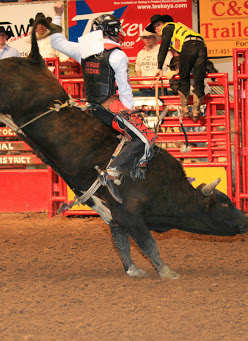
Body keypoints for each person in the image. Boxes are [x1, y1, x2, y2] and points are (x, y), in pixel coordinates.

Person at [48, 2, 154, 202]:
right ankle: (114, 173)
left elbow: (56, 42)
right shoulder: (118, 55)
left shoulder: (83, 51)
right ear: (110, 33)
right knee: (146, 137)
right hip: (110, 108)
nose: (119, 34)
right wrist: (129, 112)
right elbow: (124, 89)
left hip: (91, 108)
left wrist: (57, 15)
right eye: (116, 31)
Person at [146, 14, 208, 121]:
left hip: (188, 45)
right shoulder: (179, 30)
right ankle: (196, 110)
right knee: (199, 78)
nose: (157, 28)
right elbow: (177, 53)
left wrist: (159, 67)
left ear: (164, 23)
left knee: (184, 77)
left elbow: (164, 47)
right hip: (201, 45)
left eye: (158, 25)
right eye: (155, 27)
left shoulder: (168, 27)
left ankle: (185, 109)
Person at [135, 30, 172, 98]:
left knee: (161, 107)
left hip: (160, 86)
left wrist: (162, 81)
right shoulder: (140, 53)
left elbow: (170, 68)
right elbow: (138, 69)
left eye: (150, 37)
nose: (147, 39)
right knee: (146, 107)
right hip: (145, 87)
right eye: (145, 37)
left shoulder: (163, 51)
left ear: (154, 38)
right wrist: (141, 83)